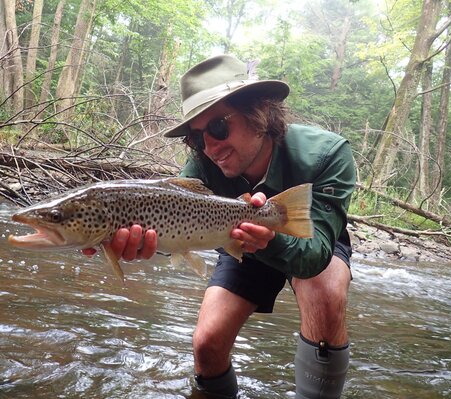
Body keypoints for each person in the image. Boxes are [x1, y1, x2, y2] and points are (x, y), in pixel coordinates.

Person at [86, 54, 356, 398]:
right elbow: (165, 224)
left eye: (217, 127)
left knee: (326, 295)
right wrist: (120, 241)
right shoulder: (201, 164)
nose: (210, 147)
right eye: (197, 138)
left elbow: (314, 256)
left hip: (312, 239)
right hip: (235, 236)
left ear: (258, 112)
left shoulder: (328, 154)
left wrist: (271, 240)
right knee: (206, 344)